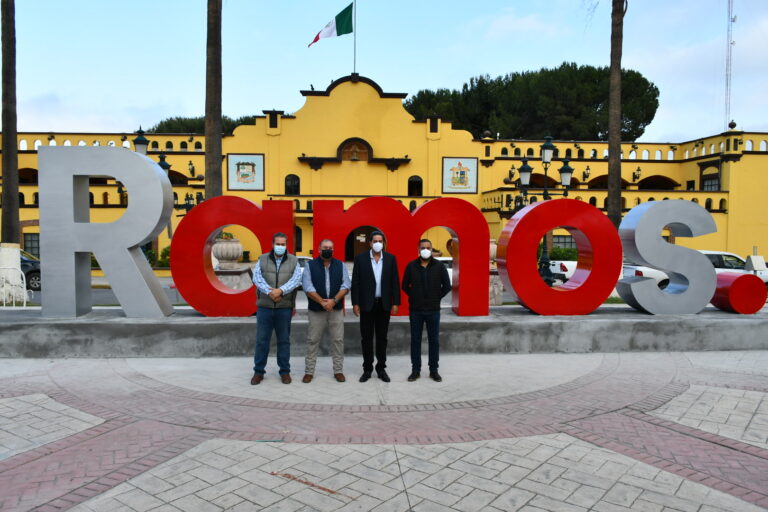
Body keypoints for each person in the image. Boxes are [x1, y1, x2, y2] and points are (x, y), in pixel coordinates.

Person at [250, 232, 302, 385]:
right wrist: (270, 292)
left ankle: (285, 372)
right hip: (265, 307)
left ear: (286, 245)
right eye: (278, 244)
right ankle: (258, 372)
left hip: (284, 307)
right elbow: (257, 278)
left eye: (283, 244)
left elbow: (296, 279)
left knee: (284, 341)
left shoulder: (293, 260)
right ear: (273, 244)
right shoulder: (262, 259)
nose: (280, 247)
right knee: (261, 341)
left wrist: (281, 291)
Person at [351, 231, 400, 383]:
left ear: (383, 243)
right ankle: (367, 369)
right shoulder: (360, 259)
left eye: (381, 240)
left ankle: (381, 368)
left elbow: (394, 282)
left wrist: (395, 302)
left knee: (382, 338)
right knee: (366, 338)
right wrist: (355, 303)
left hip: (384, 304)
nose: (378, 243)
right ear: (370, 243)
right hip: (366, 305)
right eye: (375, 240)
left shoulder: (391, 259)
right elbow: (356, 283)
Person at [401, 239, 451, 382]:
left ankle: (433, 370)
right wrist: (415, 296)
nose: (425, 250)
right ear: (418, 249)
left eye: (428, 247)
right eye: (423, 247)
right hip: (416, 310)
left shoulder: (439, 266)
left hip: (433, 310)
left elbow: (446, 286)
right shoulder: (411, 266)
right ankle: (415, 370)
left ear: (431, 249)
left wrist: (436, 297)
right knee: (415, 340)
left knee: (433, 341)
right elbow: (404, 286)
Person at [302, 239, 351, 383]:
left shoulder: (341, 265)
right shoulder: (309, 266)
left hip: (335, 309)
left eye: (330, 247)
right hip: (316, 310)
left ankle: (338, 371)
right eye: (325, 247)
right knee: (312, 340)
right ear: (319, 249)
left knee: (338, 340)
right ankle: (309, 372)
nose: (328, 250)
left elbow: (346, 285)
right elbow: (308, 287)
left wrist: (333, 301)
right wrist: (323, 302)